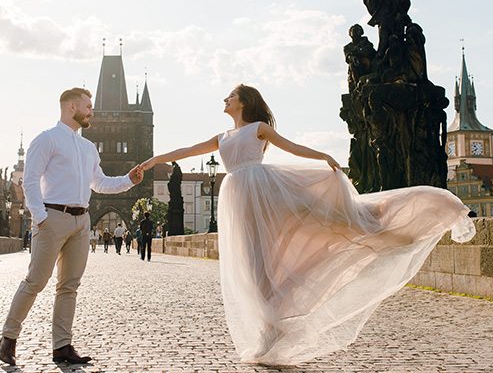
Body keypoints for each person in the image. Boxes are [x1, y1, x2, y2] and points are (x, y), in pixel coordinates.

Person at [139, 84, 475, 366]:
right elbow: (186, 150)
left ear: (244, 102)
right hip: (237, 197)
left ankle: (388, 223)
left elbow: (291, 147)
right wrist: (154, 160)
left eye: (230, 96)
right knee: (251, 265)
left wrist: (322, 157)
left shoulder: (258, 129)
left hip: (261, 191)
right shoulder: (222, 135)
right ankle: (271, 327)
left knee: (279, 251)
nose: (225, 100)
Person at [0, 87, 143, 366]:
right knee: (36, 281)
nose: (92, 111)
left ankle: (62, 347)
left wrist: (129, 180)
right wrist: (41, 217)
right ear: (71, 107)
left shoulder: (88, 147)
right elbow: (30, 180)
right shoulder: (47, 139)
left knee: (69, 286)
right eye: (88, 106)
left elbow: (99, 183)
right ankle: (9, 337)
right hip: (53, 217)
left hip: (81, 221)